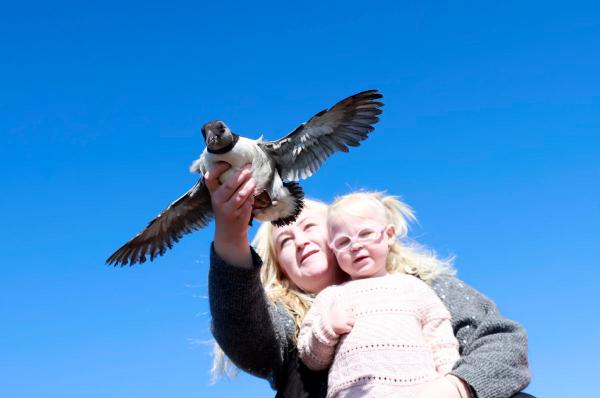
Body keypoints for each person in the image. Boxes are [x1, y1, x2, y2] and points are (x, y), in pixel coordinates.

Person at [205, 162, 532, 398]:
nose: (300, 241)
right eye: (285, 242)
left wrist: (456, 386)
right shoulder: (290, 326)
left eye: (309, 228)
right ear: (281, 270)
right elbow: (244, 332)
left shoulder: (418, 286)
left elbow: (502, 342)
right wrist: (232, 237)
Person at [297, 192, 461, 397]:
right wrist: (327, 328)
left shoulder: (413, 287)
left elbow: (441, 341)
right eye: (343, 242)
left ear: (389, 235)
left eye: (365, 234)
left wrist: (449, 383)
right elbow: (310, 359)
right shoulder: (330, 297)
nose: (355, 245)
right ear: (333, 250)